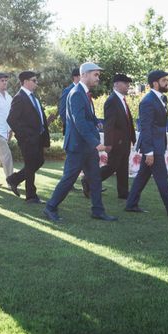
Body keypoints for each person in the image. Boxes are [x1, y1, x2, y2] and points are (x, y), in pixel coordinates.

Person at [44, 62, 117, 222]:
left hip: (87, 146)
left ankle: (98, 210)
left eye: (98, 75)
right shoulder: (76, 93)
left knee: (95, 179)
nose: (98, 78)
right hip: (78, 146)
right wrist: (95, 142)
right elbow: (79, 122)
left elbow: (88, 118)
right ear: (84, 75)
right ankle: (50, 207)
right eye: (95, 75)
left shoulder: (84, 93)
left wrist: (97, 126)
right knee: (69, 178)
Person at [125, 70, 168, 217]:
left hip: (157, 144)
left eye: (166, 80)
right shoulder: (147, 101)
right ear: (155, 83)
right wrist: (149, 152)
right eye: (163, 80)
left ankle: (131, 204)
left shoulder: (161, 98)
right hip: (152, 147)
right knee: (162, 178)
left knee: (142, 176)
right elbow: (145, 128)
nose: (167, 82)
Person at [87, 73, 136, 200]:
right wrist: (108, 143)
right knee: (112, 166)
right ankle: (88, 181)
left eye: (128, 84)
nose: (127, 86)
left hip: (124, 141)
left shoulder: (121, 100)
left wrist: (131, 138)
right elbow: (109, 124)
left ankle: (123, 193)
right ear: (116, 84)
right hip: (116, 142)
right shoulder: (112, 101)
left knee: (123, 167)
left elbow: (127, 121)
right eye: (125, 83)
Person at [6, 71, 50, 204]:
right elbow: (11, 120)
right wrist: (25, 136)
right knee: (31, 165)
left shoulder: (33, 97)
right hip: (28, 139)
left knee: (39, 161)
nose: (36, 83)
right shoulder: (19, 97)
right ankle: (31, 196)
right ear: (25, 81)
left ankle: (14, 179)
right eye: (34, 80)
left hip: (38, 138)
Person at [58, 67, 80, 135]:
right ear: (76, 77)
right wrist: (70, 125)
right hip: (72, 130)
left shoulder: (83, 90)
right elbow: (62, 111)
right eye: (82, 75)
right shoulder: (68, 90)